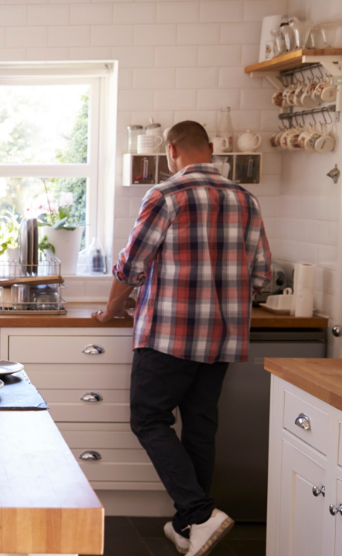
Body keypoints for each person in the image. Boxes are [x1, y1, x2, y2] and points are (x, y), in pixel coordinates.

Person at [93, 121, 271, 556]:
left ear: (171, 151)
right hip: (222, 336)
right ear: (210, 150)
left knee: (149, 420)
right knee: (200, 427)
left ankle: (199, 511)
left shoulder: (165, 196)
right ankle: (189, 526)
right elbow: (262, 276)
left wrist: (112, 310)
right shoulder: (245, 198)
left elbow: (131, 265)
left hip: (169, 335)